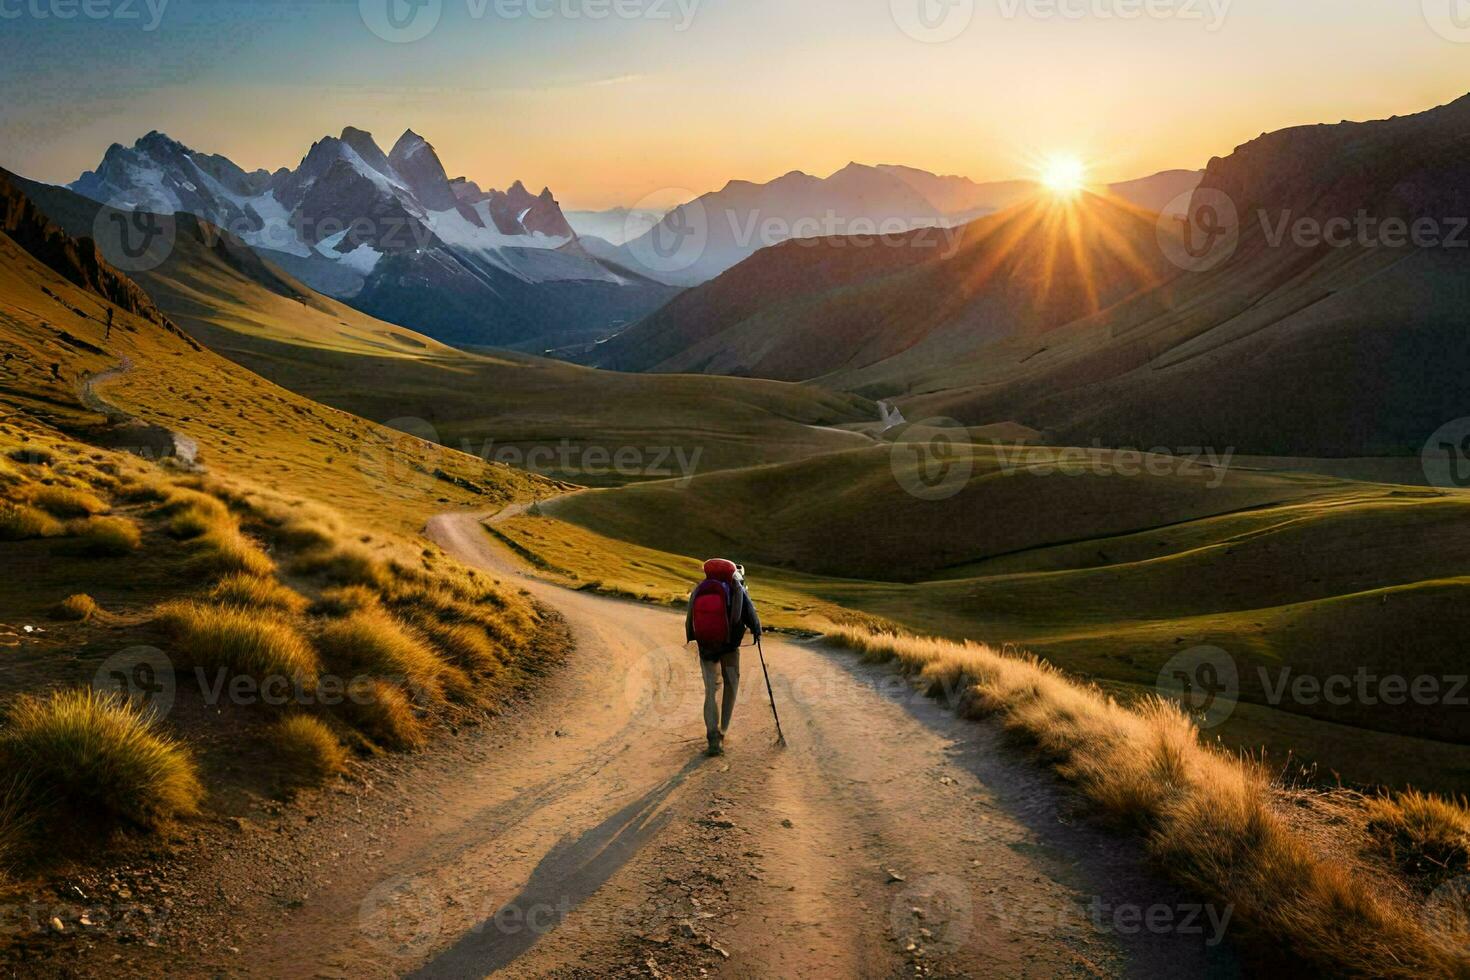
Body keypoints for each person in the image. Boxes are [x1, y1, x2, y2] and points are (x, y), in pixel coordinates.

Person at [685, 559, 761, 757]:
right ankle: (723, 730)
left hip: (706, 646)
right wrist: (756, 632)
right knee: (731, 684)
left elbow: (689, 619)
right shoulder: (737, 587)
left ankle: (712, 734)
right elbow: (751, 615)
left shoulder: (702, 587)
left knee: (711, 689)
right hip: (729, 646)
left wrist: (694, 638)